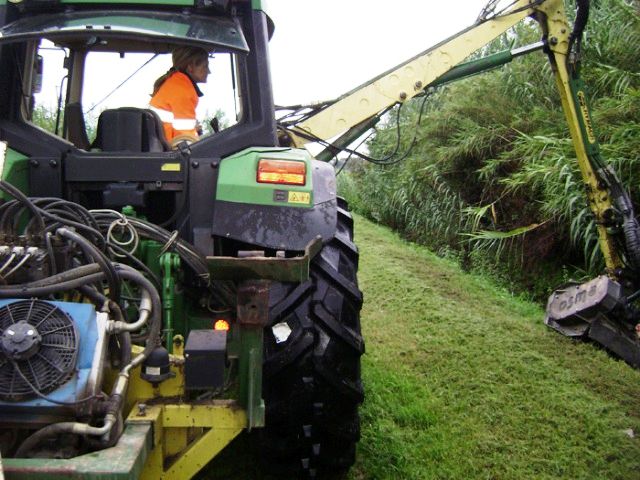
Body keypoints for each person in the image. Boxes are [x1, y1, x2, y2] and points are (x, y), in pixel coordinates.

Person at [149, 46, 210, 143]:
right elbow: (186, 139)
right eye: (205, 66)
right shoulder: (183, 90)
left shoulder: (175, 82)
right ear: (190, 67)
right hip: (167, 151)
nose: (209, 71)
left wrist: (194, 130)